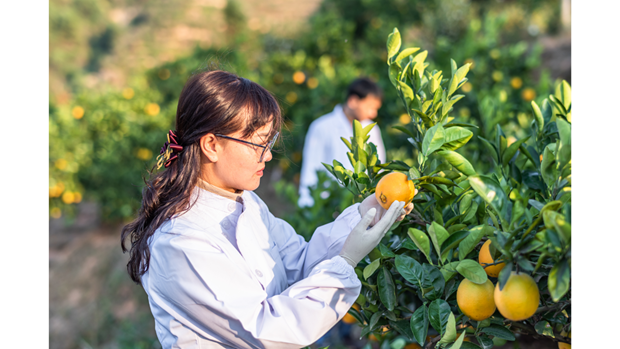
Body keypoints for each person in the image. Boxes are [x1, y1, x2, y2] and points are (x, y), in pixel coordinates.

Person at [120, 70, 414, 349]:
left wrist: (362, 215)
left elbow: (298, 263)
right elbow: (265, 331)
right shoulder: (180, 242)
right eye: (259, 144)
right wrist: (345, 262)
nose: (269, 155)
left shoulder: (246, 203)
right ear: (212, 145)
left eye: (269, 142)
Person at [298, 77, 386, 207]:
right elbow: (311, 167)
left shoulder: (372, 129)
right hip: (328, 205)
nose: (373, 114)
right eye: (370, 107)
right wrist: (307, 207)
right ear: (353, 101)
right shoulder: (322, 126)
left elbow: (378, 166)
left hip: (363, 205)